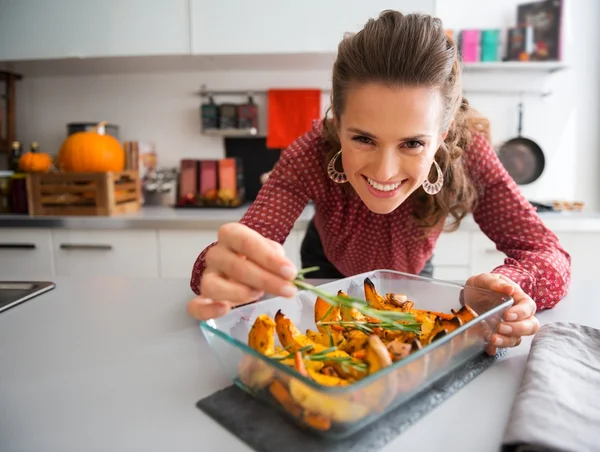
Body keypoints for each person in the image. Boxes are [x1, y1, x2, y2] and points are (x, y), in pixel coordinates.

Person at [187, 10, 571, 355]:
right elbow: (232, 255)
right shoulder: (307, 154)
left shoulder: (470, 154)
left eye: (413, 143)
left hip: (413, 274)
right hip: (325, 267)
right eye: (363, 139)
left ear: (442, 134)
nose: (385, 172)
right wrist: (222, 273)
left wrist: (502, 288)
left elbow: (549, 255)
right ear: (337, 121)